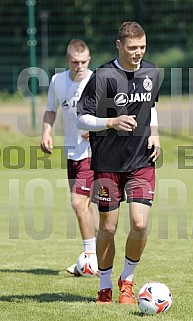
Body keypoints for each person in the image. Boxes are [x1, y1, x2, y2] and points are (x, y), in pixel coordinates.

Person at [77, 21, 161, 304]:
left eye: (142, 47)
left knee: (139, 224)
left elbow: (151, 107)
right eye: (132, 47)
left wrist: (156, 136)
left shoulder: (151, 71)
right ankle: (104, 285)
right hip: (107, 163)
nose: (138, 53)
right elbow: (81, 118)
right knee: (109, 228)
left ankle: (127, 279)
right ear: (119, 45)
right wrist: (111, 121)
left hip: (141, 160)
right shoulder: (102, 76)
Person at [40, 39, 98, 276]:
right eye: (75, 62)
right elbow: (51, 109)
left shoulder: (97, 80)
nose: (80, 66)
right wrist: (46, 131)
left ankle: (90, 257)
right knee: (86, 206)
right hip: (71, 152)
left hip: (93, 153)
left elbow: (111, 112)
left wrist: (94, 127)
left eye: (84, 61)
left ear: (89, 60)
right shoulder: (58, 81)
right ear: (68, 61)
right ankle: (96, 256)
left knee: (78, 203)